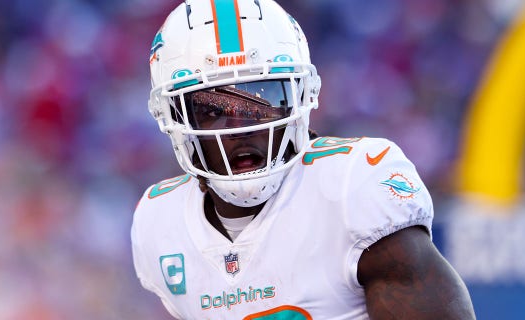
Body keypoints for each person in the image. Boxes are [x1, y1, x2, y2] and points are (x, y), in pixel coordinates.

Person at [131, 0, 476, 318]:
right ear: (174, 117)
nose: (238, 127)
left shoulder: (349, 187)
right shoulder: (159, 223)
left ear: (301, 95)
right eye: (212, 110)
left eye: (261, 99)